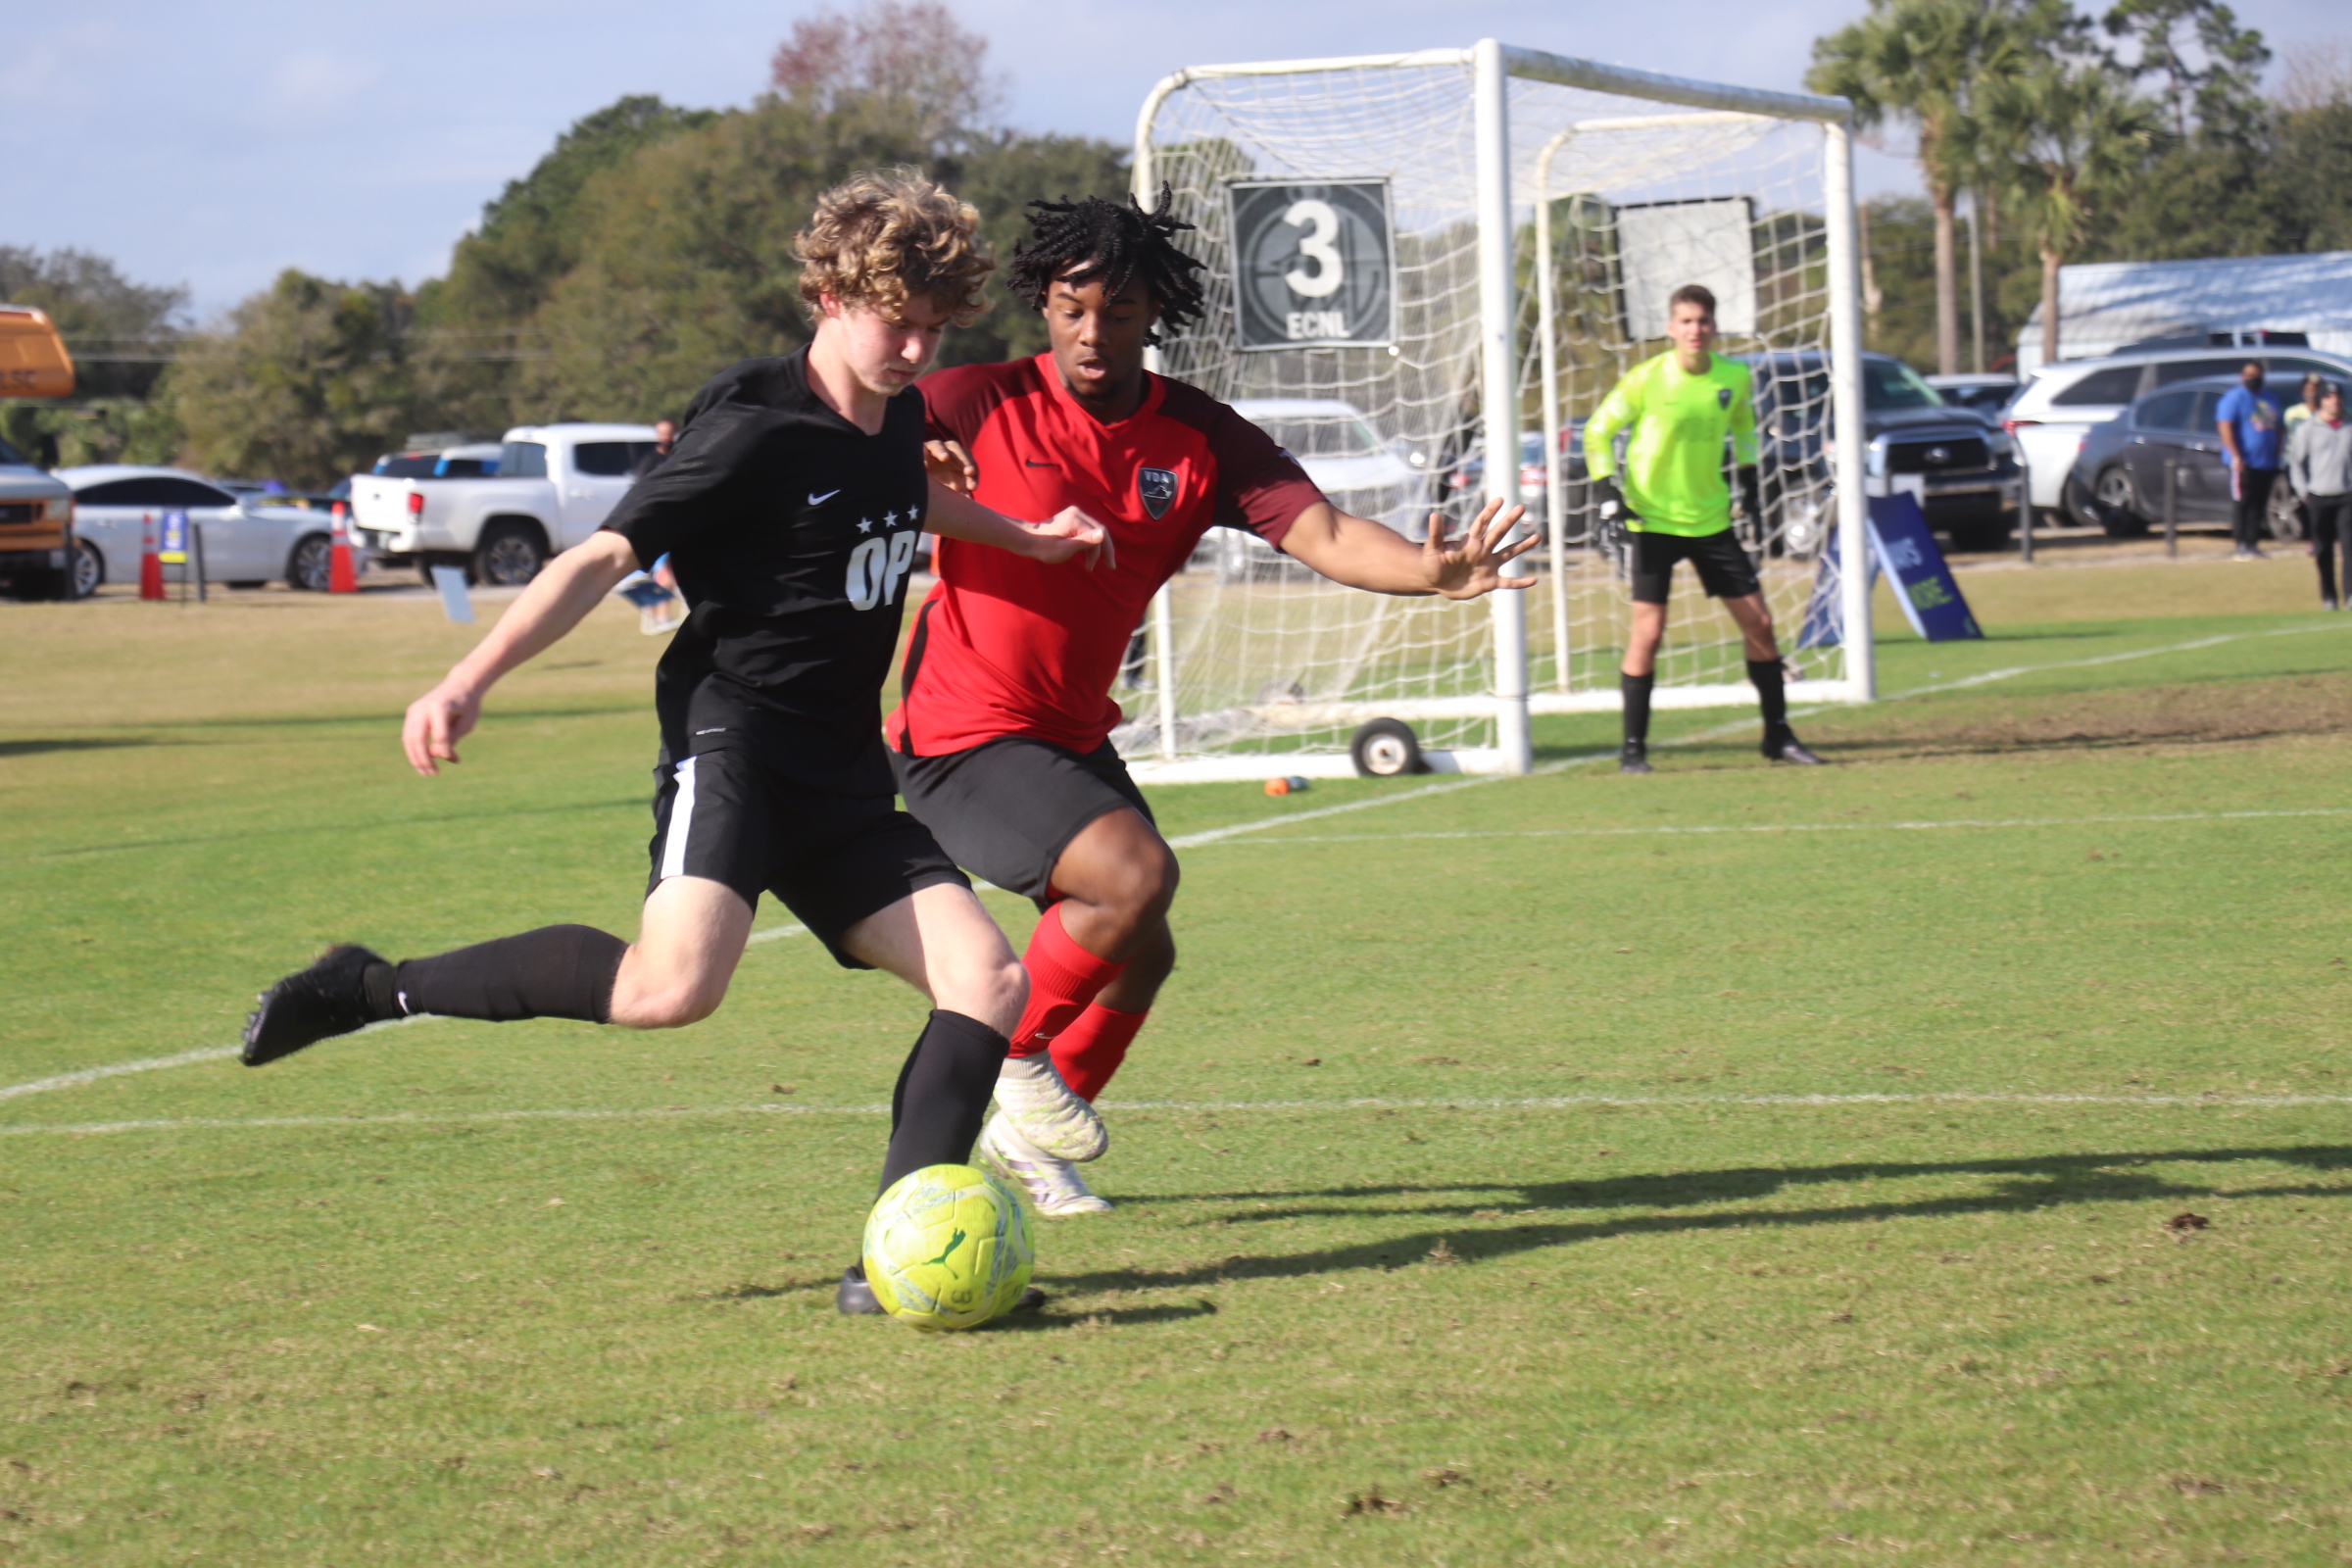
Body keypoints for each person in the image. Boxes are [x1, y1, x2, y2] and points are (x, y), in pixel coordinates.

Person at [236, 171, 1112, 1317]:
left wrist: (1027, 541)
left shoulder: (898, 414)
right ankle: (368, 985)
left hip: (844, 771)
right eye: (894, 318)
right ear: (824, 293)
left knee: (988, 979)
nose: (913, 346)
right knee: (669, 989)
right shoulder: (751, 429)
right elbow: (602, 559)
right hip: (737, 742)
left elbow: (897, 499)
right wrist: (468, 677)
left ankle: (897, 1257)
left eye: (935, 326)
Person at [894, 189, 1535, 1215]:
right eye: (1070, 307)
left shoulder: (1198, 438)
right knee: (1135, 876)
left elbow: (1322, 533)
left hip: (1068, 735)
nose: (1091, 333)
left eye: (1118, 311)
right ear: (1041, 306)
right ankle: (1010, 1054)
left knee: (1145, 943)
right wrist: (907, 456)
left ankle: (1027, 1140)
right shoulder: (974, 399)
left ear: (1157, 315)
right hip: (960, 734)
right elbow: (849, 437)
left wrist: (1430, 569)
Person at [1582, 282, 1825, 774]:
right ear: (1671, 328)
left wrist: (1751, 483)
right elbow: (1597, 431)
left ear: (1715, 327)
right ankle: (1633, 751)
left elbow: (1745, 430)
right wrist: (1608, 491)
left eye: (1703, 321)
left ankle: (1777, 736)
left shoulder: (1735, 377)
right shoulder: (1647, 378)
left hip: (1712, 521)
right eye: (1686, 321)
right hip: (1652, 521)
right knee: (1648, 633)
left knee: (1760, 623)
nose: (1695, 330)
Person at [2286, 380, 2352, 611]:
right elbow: (2296, 464)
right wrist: (2303, 492)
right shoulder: (2308, 429)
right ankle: (2329, 597)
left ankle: (2350, 596)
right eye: (2329, 397)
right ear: (2321, 401)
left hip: (2346, 495)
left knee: (2349, 547)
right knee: (2323, 549)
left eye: (2337, 397)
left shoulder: (2348, 425)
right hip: (2319, 496)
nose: (2334, 401)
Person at [2216, 360, 2284, 561]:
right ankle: (2241, 544)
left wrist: (2277, 451)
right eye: (2250, 376)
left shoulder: (2269, 398)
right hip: (2243, 462)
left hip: (2266, 462)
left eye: (2257, 376)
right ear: (2243, 377)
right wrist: (2236, 455)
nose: (2254, 380)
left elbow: (2278, 427)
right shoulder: (2234, 398)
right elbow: (2225, 427)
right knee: (2243, 503)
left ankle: (2253, 543)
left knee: (2259, 504)